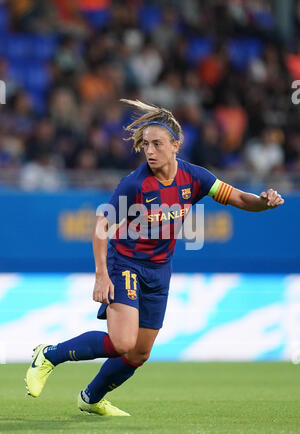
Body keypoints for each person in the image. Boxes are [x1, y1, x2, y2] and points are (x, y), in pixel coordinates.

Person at [25, 99, 284, 416]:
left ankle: (90, 398)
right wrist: (102, 275)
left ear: (175, 145)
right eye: (145, 144)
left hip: (160, 271)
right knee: (121, 342)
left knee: (139, 353)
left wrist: (262, 201)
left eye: (157, 144)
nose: (149, 150)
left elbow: (239, 197)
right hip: (126, 264)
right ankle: (50, 354)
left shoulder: (195, 178)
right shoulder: (135, 183)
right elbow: (101, 224)